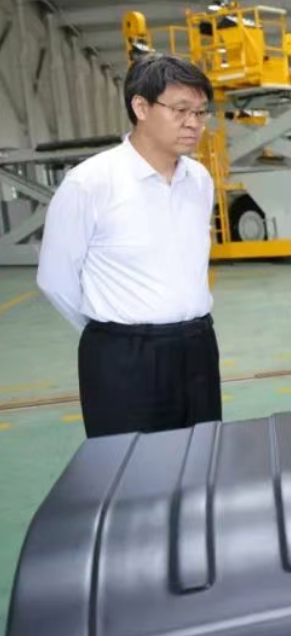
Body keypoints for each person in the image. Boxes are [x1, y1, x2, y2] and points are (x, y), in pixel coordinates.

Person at [37, 53, 221, 438]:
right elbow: (56, 279)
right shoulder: (90, 183)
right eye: (181, 110)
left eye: (200, 112)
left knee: (203, 454)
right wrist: (114, 331)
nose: (193, 123)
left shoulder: (200, 180)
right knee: (130, 465)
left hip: (198, 347)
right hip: (124, 356)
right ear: (140, 107)